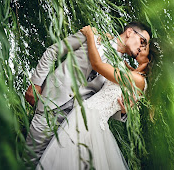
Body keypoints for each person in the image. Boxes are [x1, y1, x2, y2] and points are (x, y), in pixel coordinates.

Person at [25, 22, 151, 166]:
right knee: (29, 161)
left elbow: (106, 99)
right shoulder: (92, 36)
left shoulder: (121, 69)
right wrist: (35, 83)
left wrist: (123, 111)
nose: (142, 47)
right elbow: (53, 51)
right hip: (51, 105)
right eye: (142, 41)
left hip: (75, 123)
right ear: (130, 32)